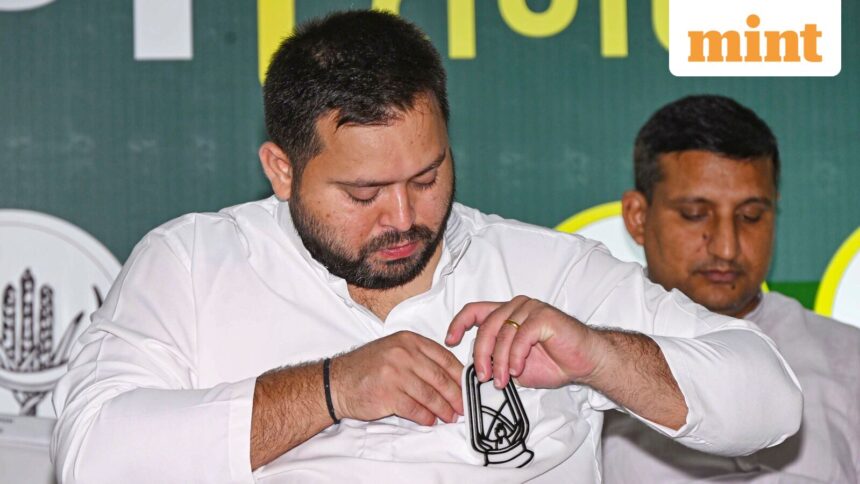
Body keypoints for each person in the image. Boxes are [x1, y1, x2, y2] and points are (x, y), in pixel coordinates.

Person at [51, 12, 801, 483]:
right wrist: (330, 389)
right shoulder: (192, 264)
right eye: (364, 193)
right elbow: (90, 456)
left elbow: (772, 402)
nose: (405, 218)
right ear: (281, 170)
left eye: (428, 176)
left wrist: (599, 355)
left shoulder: (548, 270)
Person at [604, 94, 860, 483]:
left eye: (750, 216)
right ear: (637, 216)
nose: (726, 247)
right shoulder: (577, 363)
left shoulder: (848, 359)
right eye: (695, 214)